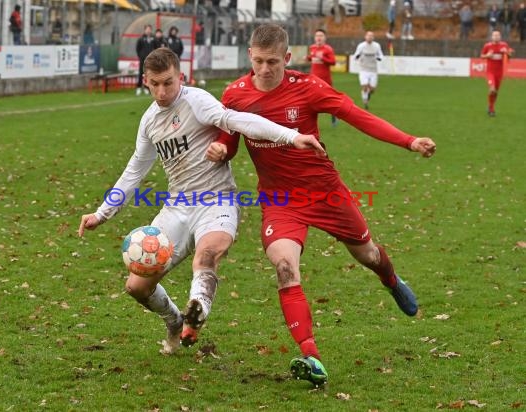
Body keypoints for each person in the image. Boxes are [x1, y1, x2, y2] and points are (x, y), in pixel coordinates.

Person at [207, 23, 436, 387]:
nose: (264, 71)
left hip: (325, 192)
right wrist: (220, 150)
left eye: (273, 63)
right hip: (280, 200)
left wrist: (408, 141)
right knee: (284, 266)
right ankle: (311, 355)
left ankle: (391, 280)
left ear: (287, 58)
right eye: (258, 62)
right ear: (250, 55)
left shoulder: (308, 88)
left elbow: (357, 116)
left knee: (369, 255)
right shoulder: (234, 95)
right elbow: (228, 142)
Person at [78, 48, 324, 357]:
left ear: (180, 76)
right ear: (146, 81)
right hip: (177, 207)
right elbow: (134, 170)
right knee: (137, 287)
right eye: (155, 84)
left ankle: (198, 308)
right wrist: (102, 213)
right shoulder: (149, 121)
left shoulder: (197, 101)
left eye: (169, 82)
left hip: (217, 200)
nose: (162, 91)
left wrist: (291, 136)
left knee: (206, 257)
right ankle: (174, 321)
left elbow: (237, 120)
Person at [480, 30, 514, 117]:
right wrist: (488, 55)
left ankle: (490, 105)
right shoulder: (487, 46)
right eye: (494, 35)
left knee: (495, 92)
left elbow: (509, 55)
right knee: (492, 89)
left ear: (500, 37)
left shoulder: (504, 45)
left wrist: (507, 53)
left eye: (498, 35)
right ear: (492, 37)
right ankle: (491, 109)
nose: (496, 37)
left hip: (499, 72)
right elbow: (481, 56)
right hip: (490, 72)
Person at [306, 29, 337, 126]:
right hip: (313, 79)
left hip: (325, 79)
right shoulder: (312, 48)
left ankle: (334, 116)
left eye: (321, 35)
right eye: (317, 36)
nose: (318, 37)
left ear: (325, 38)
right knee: (311, 101)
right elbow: (311, 58)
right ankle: (311, 122)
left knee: (329, 100)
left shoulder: (328, 49)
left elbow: (333, 62)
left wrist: (322, 58)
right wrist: (308, 58)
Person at [353, 31, 384, 110]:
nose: (369, 37)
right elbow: (355, 55)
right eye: (368, 36)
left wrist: (379, 58)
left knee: (372, 89)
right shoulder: (361, 46)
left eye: (371, 36)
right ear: (365, 37)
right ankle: (365, 101)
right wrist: (357, 56)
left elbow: (381, 55)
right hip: (364, 69)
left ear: (373, 37)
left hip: (373, 70)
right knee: (365, 86)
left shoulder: (376, 46)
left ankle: (368, 95)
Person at [135, 25, 155, 96]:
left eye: (150, 29)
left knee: (149, 74)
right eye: (147, 29)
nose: (148, 30)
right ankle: (139, 87)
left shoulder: (153, 38)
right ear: (145, 30)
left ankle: (147, 88)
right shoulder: (141, 39)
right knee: (141, 73)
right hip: (143, 60)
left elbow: (156, 48)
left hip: (151, 60)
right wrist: (141, 56)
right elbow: (138, 49)